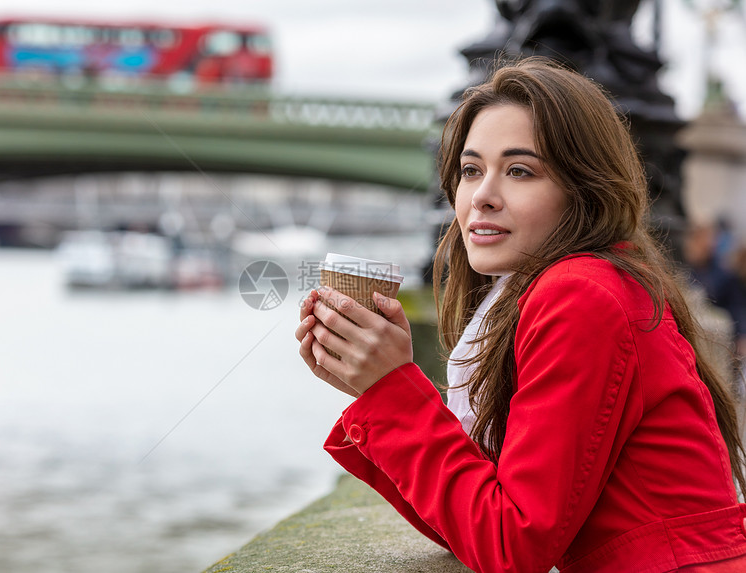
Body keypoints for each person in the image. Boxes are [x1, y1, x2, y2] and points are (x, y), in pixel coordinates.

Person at [295, 58, 746, 572]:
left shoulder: (582, 296)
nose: (482, 196)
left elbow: (510, 547)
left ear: (582, 192)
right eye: (470, 170)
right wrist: (376, 386)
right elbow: (470, 525)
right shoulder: (579, 285)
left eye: (519, 171)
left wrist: (392, 389)